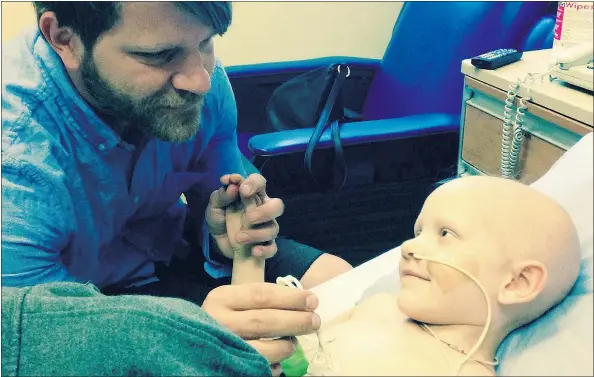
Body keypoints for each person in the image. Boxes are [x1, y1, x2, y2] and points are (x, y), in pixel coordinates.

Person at [1, 1, 352, 373]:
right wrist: (186, 338)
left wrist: (221, 228)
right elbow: (36, 346)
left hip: (167, 252)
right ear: (65, 39)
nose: (201, 81)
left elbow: (217, 200)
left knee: (340, 285)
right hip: (70, 313)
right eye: (161, 55)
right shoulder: (17, 161)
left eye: (206, 43)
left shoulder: (201, 83)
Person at [232, 175, 582, 376]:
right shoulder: (380, 306)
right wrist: (247, 253)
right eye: (418, 231)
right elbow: (253, 345)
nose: (407, 247)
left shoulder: (465, 372)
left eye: (446, 234)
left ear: (516, 283)